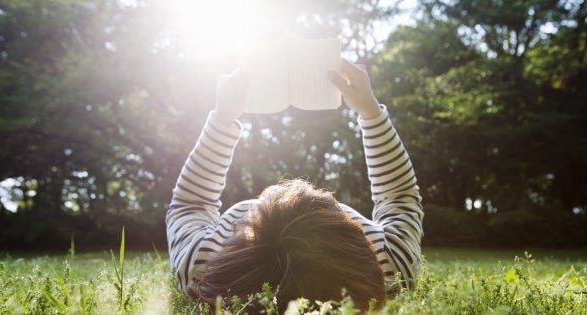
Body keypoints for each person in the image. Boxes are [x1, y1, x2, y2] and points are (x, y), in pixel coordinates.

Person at [166, 59, 423, 312]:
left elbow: (190, 204)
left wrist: (222, 119)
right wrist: (371, 112)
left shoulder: (206, 266)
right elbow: (399, 198)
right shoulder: (386, 267)